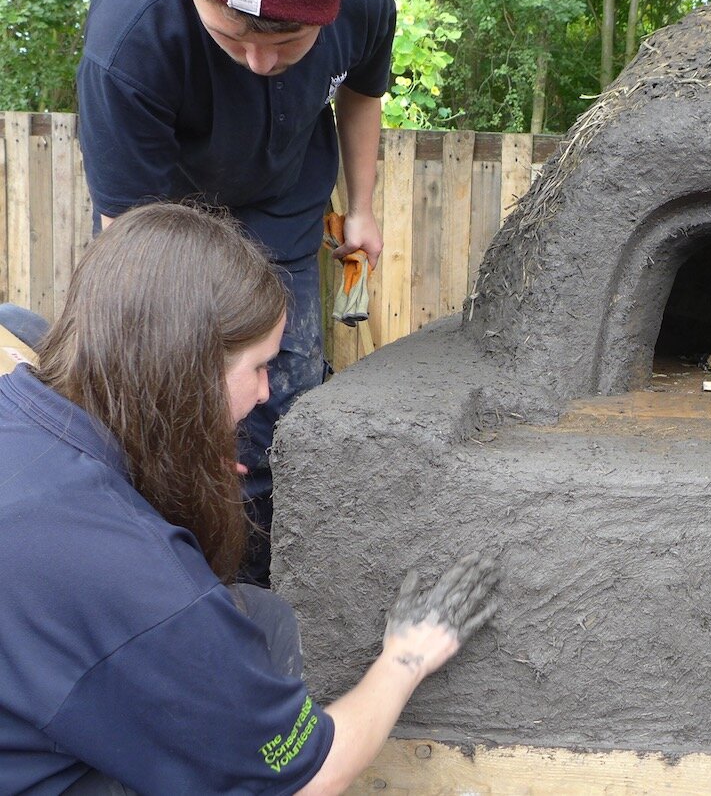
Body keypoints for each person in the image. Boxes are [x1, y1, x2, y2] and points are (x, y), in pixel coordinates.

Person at [0, 202, 498, 795]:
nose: (266, 394)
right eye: (260, 367)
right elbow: (308, 776)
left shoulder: (18, 405)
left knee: (262, 617)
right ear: (185, 371)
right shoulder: (141, 584)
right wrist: (405, 658)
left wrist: (162, 454)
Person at [76, 0, 394, 586]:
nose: (257, 63)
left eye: (287, 45)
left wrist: (366, 208)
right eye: (231, 38)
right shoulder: (129, 43)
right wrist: (179, 414)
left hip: (286, 215)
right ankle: (200, 592)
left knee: (282, 417)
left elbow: (364, 93)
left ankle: (282, 587)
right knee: (188, 442)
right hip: (175, 229)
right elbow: (136, 251)